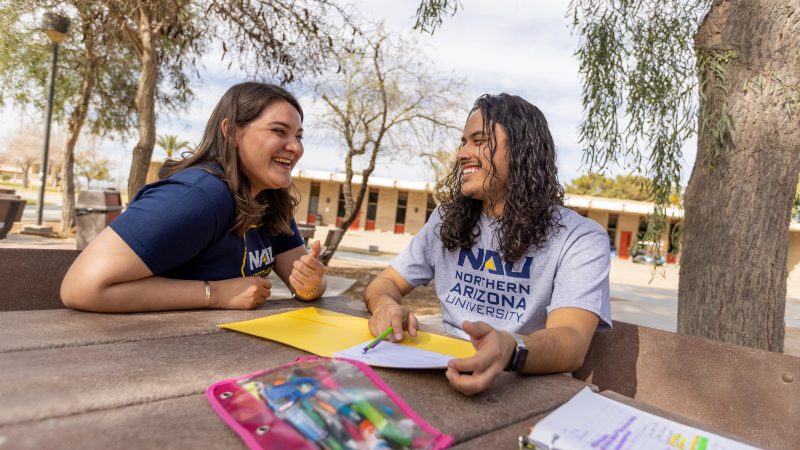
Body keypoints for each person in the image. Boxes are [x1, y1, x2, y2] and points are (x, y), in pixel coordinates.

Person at [364, 93, 611, 395]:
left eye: (479, 141)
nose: (461, 154)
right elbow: (385, 282)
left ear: (523, 150)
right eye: (463, 142)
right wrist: (386, 305)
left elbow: (572, 340)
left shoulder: (580, 237)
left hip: (525, 386)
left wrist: (508, 347)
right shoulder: (445, 219)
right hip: (439, 372)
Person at [61, 82, 327, 312]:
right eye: (279, 131)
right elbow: (80, 287)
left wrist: (311, 283)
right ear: (232, 132)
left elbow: (304, 284)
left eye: (298, 136)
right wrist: (216, 294)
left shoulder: (270, 201)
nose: (295, 147)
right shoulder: (198, 196)